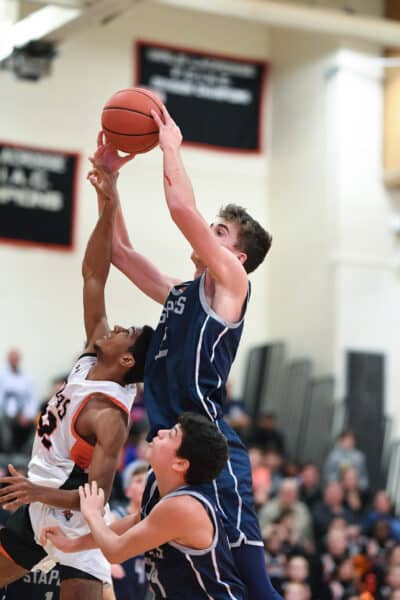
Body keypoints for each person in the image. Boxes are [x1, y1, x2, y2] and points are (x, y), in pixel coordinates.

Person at [90, 104, 279, 599]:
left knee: (255, 586)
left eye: (219, 232)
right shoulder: (180, 293)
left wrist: (169, 145)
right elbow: (120, 253)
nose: (206, 231)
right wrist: (109, 184)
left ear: (236, 256)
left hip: (208, 449)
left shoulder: (232, 285)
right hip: (169, 448)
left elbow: (181, 210)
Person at [0, 166, 153, 599]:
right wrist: (109, 204)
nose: (116, 326)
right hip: (37, 505)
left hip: (74, 522)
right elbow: (93, 275)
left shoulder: (109, 416)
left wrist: (35, 489)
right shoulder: (90, 360)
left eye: (127, 332)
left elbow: (96, 495)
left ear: (126, 359)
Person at [42, 413, 246, 599]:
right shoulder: (157, 486)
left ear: (180, 464)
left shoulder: (184, 507)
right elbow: (133, 523)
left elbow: (115, 551)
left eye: (171, 434)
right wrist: (73, 544)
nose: (161, 432)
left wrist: (93, 514)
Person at [0, 348, 38, 454]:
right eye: (12, 358)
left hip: (26, 415)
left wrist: (28, 415)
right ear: (8, 360)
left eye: (16, 358)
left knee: (40, 422)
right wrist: (15, 414)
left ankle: (27, 451)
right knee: (3, 421)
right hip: (8, 414)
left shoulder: (27, 377)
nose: (14, 361)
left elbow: (32, 399)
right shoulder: (2, 376)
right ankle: (8, 450)